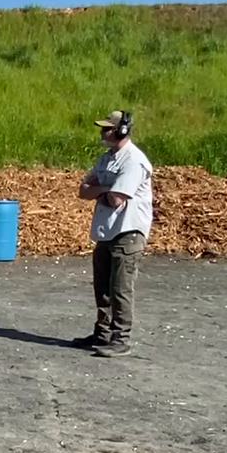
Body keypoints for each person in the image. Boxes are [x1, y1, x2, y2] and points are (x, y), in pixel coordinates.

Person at [76, 110, 154, 358]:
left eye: (107, 128)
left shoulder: (133, 161)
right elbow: (83, 191)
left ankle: (121, 338)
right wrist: (106, 188)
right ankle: (102, 333)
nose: (103, 132)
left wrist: (103, 190)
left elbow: (115, 200)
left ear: (122, 130)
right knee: (103, 287)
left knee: (120, 288)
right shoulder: (107, 159)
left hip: (127, 232)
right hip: (107, 231)